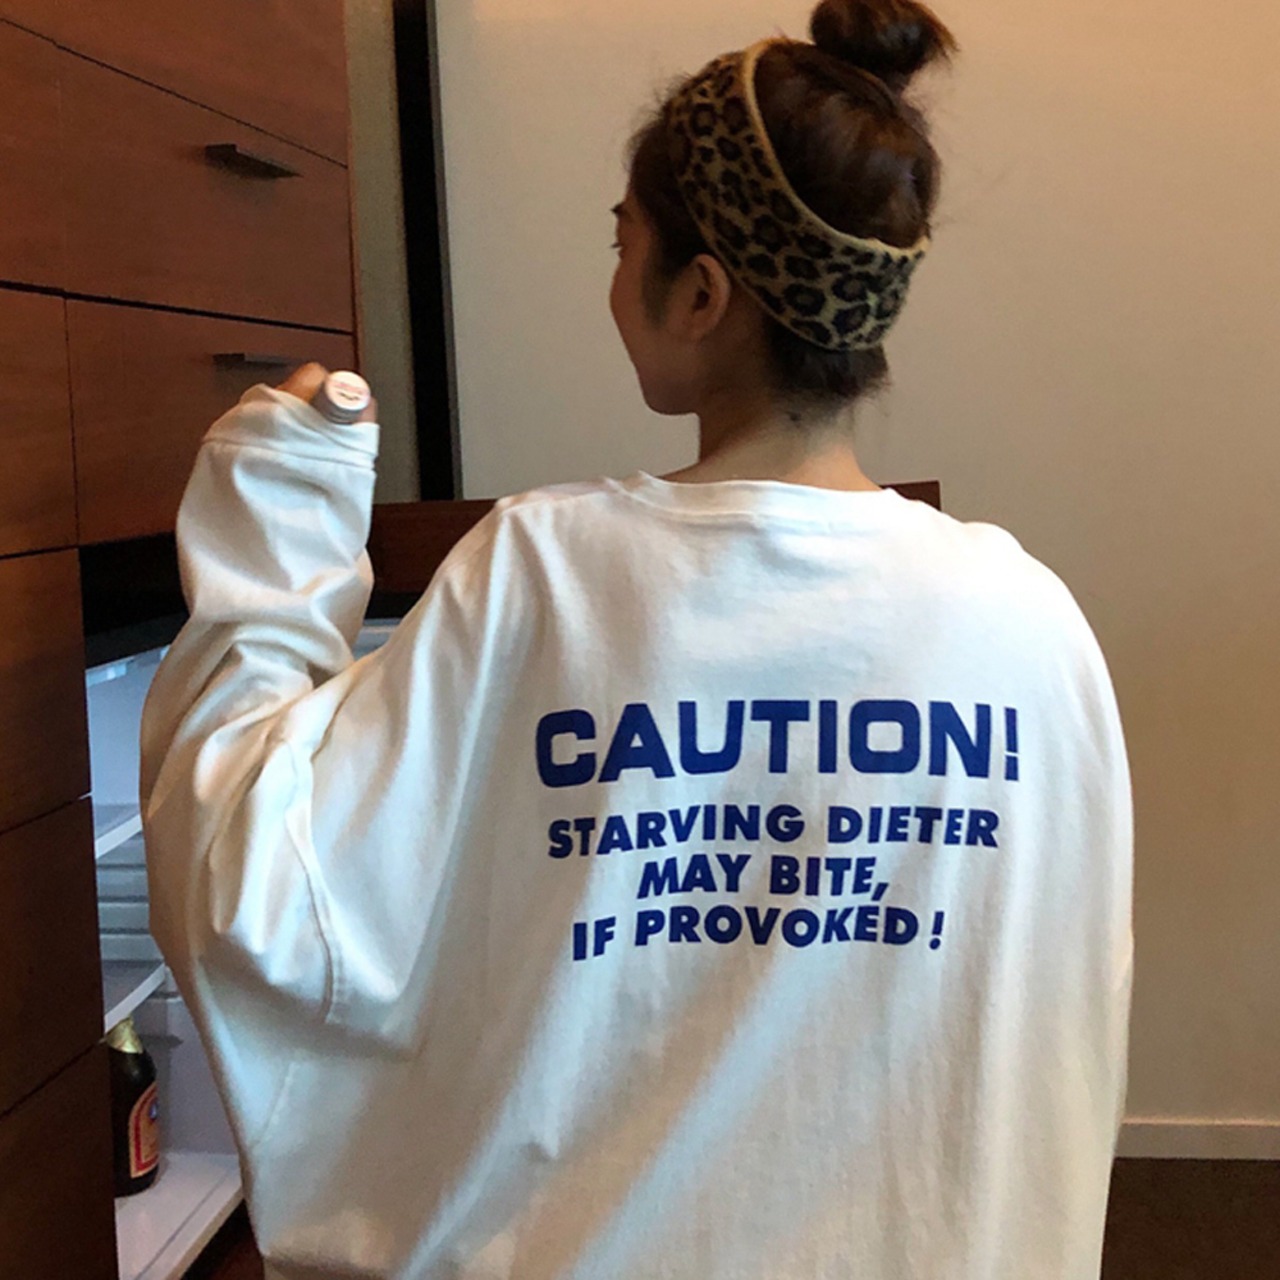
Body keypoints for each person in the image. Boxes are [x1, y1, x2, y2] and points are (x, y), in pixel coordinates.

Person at [140, 1, 1134, 1276]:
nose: (612, 278)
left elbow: (260, 887)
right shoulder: (1027, 620)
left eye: (624, 242)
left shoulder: (545, 572)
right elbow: (1054, 1009)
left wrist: (282, 496)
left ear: (701, 293)